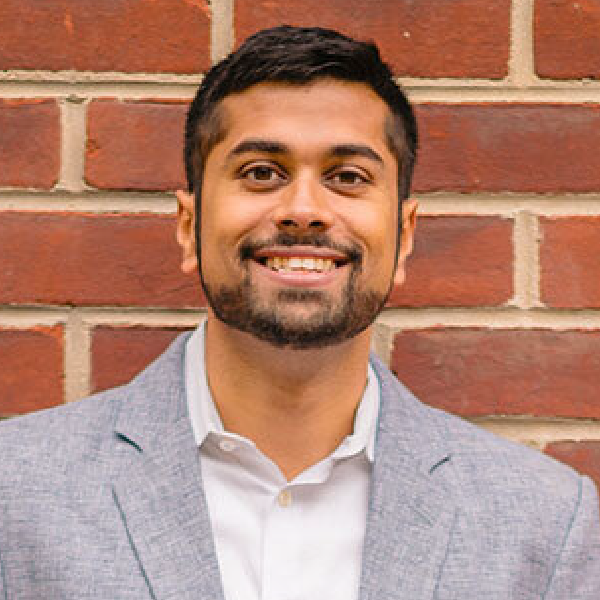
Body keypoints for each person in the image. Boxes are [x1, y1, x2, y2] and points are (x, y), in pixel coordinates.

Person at [0, 25, 598, 600]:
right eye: (262, 173)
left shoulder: (546, 525)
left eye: (347, 176)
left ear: (405, 234)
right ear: (188, 227)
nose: (304, 209)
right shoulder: (15, 493)